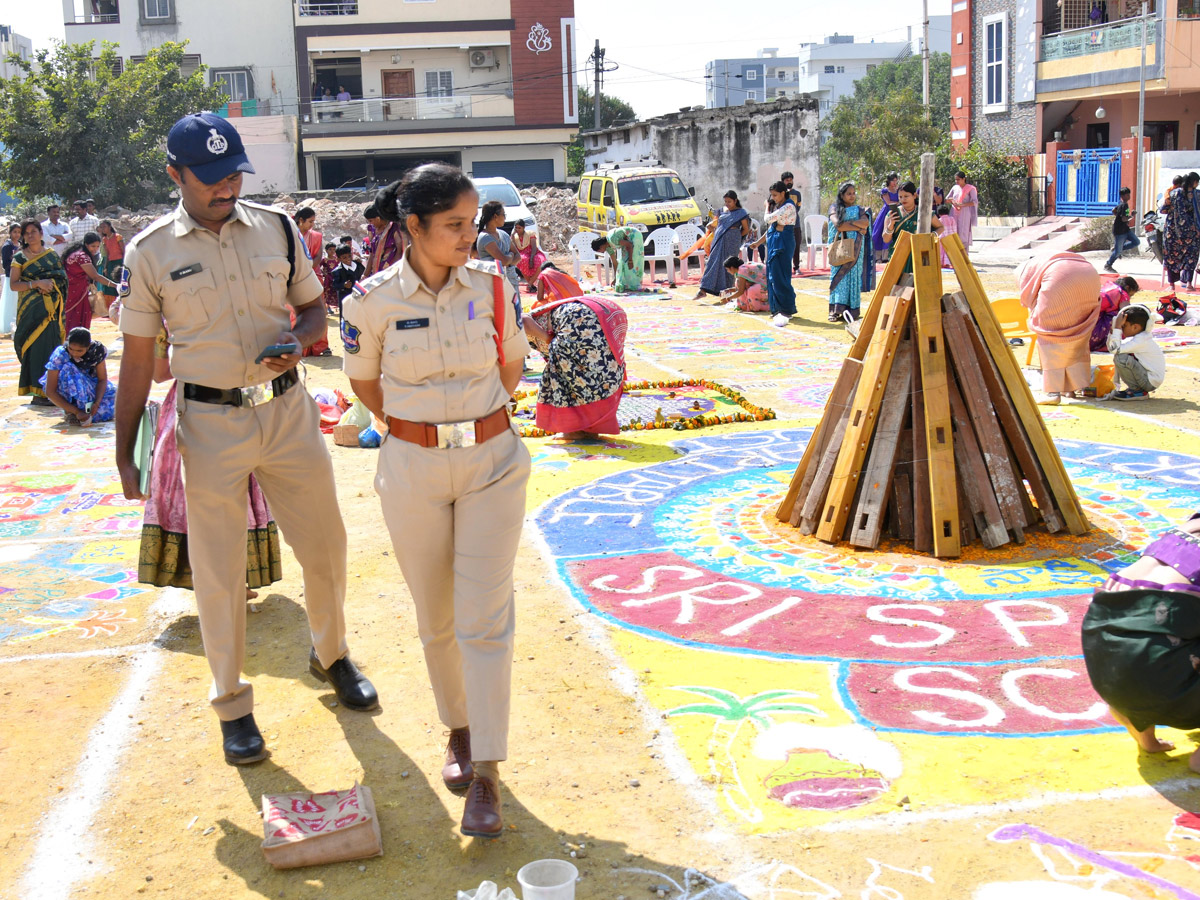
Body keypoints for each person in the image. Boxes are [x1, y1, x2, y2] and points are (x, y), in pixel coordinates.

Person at [114, 111, 378, 767]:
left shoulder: (277, 228)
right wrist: (125, 453)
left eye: (233, 174)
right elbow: (139, 360)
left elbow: (314, 309)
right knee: (219, 569)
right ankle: (232, 703)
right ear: (175, 175)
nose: (226, 188)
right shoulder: (150, 252)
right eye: (210, 178)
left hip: (287, 413)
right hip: (209, 424)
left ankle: (332, 655)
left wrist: (301, 338)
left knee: (326, 545)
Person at [341, 164, 531, 838]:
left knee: (485, 618)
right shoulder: (369, 302)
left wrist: (469, 422)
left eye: (472, 222)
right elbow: (366, 386)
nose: (468, 235)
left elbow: (511, 367)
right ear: (414, 225)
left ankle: (487, 773)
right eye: (454, 224)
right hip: (413, 468)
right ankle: (459, 727)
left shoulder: (496, 287)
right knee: (437, 615)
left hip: (491, 463)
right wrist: (422, 427)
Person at [140, 327, 283, 599]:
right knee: (202, 501)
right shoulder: (170, 320)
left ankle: (231, 581)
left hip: (233, 406)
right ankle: (214, 581)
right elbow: (160, 373)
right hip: (194, 412)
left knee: (230, 498)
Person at [1081, 511, 1200, 771]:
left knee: (1144, 639)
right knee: (1163, 637)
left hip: (1109, 676)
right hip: (1159, 672)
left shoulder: (1185, 529)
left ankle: (1145, 735)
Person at [524, 286, 627, 439]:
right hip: (610, 314)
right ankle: (590, 427)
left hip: (580, 319)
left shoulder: (512, 323)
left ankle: (573, 429)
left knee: (565, 375)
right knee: (598, 372)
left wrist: (549, 340)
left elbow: (523, 320)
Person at [1015, 250, 1101, 406]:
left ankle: (1053, 392)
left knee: (1050, 338)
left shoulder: (1028, 268)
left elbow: (1027, 296)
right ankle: (1071, 388)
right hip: (1089, 276)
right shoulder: (1048, 261)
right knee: (1078, 336)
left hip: (1060, 278)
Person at [9, 219, 68, 405]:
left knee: (51, 348)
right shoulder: (19, 258)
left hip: (51, 312)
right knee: (34, 350)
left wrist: (50, 285)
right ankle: (37, 392)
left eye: (33, 231)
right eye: (26, 233)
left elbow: (62, 278)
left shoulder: (51, 256)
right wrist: (36, 284)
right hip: (31, 312)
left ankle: (52, 392)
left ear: (41, 233)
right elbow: (13, 285)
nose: (30, 235)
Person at [39, 326, 116, 425]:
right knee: (68, 369)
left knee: (116, 401)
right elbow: (50, 391)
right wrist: (76, 411)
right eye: (71, 349)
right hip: (69, 388)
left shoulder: (96, 351)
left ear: (88, 347)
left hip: (89, 385)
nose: (74, 353)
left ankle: (85, 410)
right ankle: (71, 410)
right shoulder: (60, 355)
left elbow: (102, 380)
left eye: (80, 351)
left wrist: (96, 403)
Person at [827, 182, 870, 323]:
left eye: (853, 193)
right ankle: (835, 311)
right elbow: (838, 225)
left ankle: (852, 310)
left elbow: (866, 224)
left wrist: (849, 225)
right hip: (839, 247)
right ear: (842, 195)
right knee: (838, 278)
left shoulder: (859, 210)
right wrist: (857, 226)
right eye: (848, 194)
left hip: (856, 248)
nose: (852, 196)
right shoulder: (834, 208)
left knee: (853, 277)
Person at [1101, 304, 1165, 401]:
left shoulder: (1142, 340)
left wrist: (1117, 328)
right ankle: (1137, 389)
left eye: (1124, 326)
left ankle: (1137, 391)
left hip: (1149, 381)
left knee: (1121, 358)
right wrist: (1112, 331)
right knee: (1121, 355)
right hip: (1148, 378)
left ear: (1135, 327)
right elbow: (1112, 348)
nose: (1122, 328)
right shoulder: (1139, 338)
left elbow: (1115, 349)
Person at [695, 191, 750, 300]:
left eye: (729, 201)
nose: (727, 204)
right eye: (725, 201)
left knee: (728, 265)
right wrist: (719, 233)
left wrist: (734, 236)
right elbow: (715, 225)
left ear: (735, 201)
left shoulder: (741, 213)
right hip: (719, 240)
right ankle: (704, 289)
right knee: (712, 262)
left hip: (732, 242)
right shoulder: (723, 212)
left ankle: (727, 291)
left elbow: (745, 229)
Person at [61, 232, 120, 333]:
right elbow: (95, 276)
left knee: (69, 316)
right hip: (76, 292)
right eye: (93, 246)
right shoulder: (82, 257)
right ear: (86, 244)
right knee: (76, 317)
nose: (95, 249)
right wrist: (115, 285)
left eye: (97, 246)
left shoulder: (75, 253)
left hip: (70, 290)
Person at [882, 182, 941, 275]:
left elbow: (941, 227)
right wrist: (891, 225)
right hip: (898, 255)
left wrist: (931, 236)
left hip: (919, 254)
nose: (903, 199)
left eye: (906, 196)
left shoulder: (924, 212)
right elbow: (886, 239)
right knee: (899, 282)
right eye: (900, 197)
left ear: (914, 195)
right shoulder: (892, 214)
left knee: (920, 280)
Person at [764, 180, 798, 327]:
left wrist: (767, 208)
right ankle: (776, 308)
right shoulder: (780, 206)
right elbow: (772, 226)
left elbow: (768, 219)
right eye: (771, 195)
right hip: (775, 240)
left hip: (783, 241)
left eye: (775, 195)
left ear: (783, 193)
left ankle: (786, 308)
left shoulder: (789, 206)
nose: (773, 198)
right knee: (773, 274)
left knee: (781, 275)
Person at [1161, 172, 1200, 292]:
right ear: (1194, 182)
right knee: (1191, 256)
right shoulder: (1197, 195)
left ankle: (1172, 285)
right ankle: (1188, 284)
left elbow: (1163, 209)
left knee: (1171, 256)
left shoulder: (1173, 193)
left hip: (1172, 231)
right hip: (1191, 232)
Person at [475, 201, 521, 292]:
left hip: (510, 283)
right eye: (503, 215)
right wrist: (511, 255)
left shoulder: (503, 234)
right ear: (495, 217)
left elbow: (518, 256)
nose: (505, 218)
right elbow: (503, 261)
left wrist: (507, 262)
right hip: (492, 284)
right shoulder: (485, 237)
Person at [591, 226, 646, 293]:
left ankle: (635, 285)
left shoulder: (612, 239)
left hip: (634, 235)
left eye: (600, 251)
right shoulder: (608, 247)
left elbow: (629, 245)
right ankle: (628, 285)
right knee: (624, 262)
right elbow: (615, 263)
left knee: (634, 259)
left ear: (601, 246)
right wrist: (616, 279)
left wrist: (630, 261)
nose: (602, 252)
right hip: (627, 241)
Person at [1090, 275, 1138, 351]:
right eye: (1131, 295)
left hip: (1084, 322)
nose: (1129, 298)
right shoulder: (1122, 293)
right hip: (1093, 328)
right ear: (1128, 288)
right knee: (1121, 317)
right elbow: (1126, 311)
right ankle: (1105, 344)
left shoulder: (1108, 286)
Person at [1104, 187, 1139, 274]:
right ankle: (1108, 265)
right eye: (1127, 194)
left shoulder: (1122, 205)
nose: (1129, 196)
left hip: (1125, 229)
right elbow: (1124, 219)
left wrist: (1118, 215)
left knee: (1136, 242)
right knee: (1118, 252)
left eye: (1129, 194)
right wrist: (1132, 216)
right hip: (1120, 231)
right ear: (1122, 196)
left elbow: (1113, 210)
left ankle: (1118, 248)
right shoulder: (1123, 205)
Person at [364, 204, 403, 276]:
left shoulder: (393, 227)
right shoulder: (372, 229)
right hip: (377, 273)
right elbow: (372, 253)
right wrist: (365, 275)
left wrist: (393, 272)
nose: (370, 223)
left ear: (378, 218)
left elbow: (399, 250)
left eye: (371, 221)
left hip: (391, 271)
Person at [97, 220, 125, 315]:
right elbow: (107, 254)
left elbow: (123, 251)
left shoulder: (118, 237)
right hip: (111, 263)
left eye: (104, 227)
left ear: (109, 227)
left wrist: (125, 264)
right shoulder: (104, 239)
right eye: (101, 227)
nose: (103, 229)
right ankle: (110, 308)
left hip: (119, 262)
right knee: (109, 285)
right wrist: (105, 267)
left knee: (120, 281)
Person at [871, 173, 900, 264]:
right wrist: (899, 203)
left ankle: (887, 256)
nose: (895, 182)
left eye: (896, 180)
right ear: (889, 181)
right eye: (893, 180)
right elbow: (888, 202)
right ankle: (878, 256)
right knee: (879, 233)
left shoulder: (898, 190)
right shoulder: (885, 191)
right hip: (886, 212)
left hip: (896, 211)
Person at [510, 219, 546, 290]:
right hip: (522, 253)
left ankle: (530, 283)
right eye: (516, 228)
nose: (517, 230)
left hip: (533, 253)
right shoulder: (515, 237)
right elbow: (514, 248)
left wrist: (531, 259)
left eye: (519, 228)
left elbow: (534, 247)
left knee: (541, 261)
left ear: (524, 228)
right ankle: (531, 285)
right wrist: (512, 236)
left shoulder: (530, 234)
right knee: (522, 260)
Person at [948, 171, 978, 253]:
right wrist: (953, 202)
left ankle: (964, 255)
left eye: (958, 179)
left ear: (963, 179)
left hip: (965, 213)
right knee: (954, 233)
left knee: (963, 234)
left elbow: (975, 202)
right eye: (955, 179)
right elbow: (947, 198)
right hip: (954, 213)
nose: (956, 181)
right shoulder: (955, 188)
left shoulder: (970, 188)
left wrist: (962, 205)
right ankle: (955, 255)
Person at [328, 245, 365, 311]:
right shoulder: (337, 271)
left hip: (360, 298)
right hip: (346, 299)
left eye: (349, 256)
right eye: (344, 257)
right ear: (339, 259)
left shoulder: (359, 265)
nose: (348, 259)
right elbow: (335, 285)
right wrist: (343, 285)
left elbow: (365, 275)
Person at [1, 222, 21, 333]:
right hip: (11, 277)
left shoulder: (20, 244)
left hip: (20, 278)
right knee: (10, 302)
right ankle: (8, 326)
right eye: (15, 232)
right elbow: (5, 264)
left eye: (19, 232)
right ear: (10, 232)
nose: (17, 234)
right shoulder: (7, 246)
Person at [782, 171, 803, 273]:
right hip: (783, 225)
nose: (789, 182)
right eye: (787, 180)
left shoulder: (797, 194)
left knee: (796, 245)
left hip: (795, 224)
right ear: (783, 182)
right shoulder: (781, 194)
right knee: (785, 246)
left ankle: (796, 267)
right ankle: (786, 267)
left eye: (791, 180)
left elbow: (798, 207)